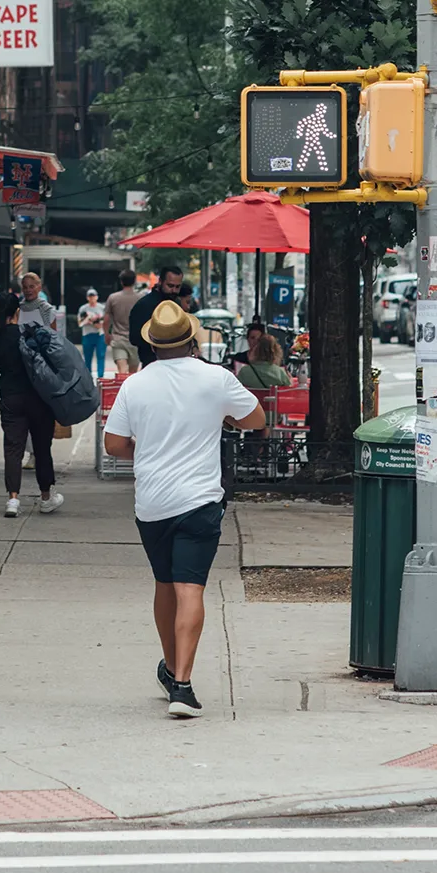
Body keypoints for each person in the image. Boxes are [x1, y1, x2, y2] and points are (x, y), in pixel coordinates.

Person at [103, 300, 264, 718]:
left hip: (153, 502)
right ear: (192, 341)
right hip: (199, 501)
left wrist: (146, 448)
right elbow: (256, 419)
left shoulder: (134, 385)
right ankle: (183, 686)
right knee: (190, 587)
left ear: (152, 345)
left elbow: (114, 445)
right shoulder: (216, 378)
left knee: (164, 583)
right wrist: (221, 419)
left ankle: (171, 666)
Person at [0, 290, 63, 518]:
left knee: (13, 450)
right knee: (42, 449)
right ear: (17, 312)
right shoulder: (29, 336)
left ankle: (13, 499)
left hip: (11, 400)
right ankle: (46, 498)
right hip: (38, 400)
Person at [130, 266, 205, 367]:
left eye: (177, 287)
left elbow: (186, 330)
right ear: (160, 282)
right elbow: (134, 338)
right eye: (170, 286)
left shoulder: (177, 304)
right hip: (153, 364)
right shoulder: (144, 305)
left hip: (179, 364)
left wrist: (194, 347)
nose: (174, 290)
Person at [104, 268, 142, 375]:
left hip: (118, 339)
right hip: (135, 340)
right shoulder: (140, 298)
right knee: (133, 372)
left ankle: (121, 389)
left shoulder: (113, 298)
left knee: (122, 372)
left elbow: (107, 319)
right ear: (134, 281)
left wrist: (107, 334)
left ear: (121, 282)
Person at [234, 320, 289, 389]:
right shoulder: (280, 372)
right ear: (247, 339)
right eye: (252, 338)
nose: (255, 341)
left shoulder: (244, 372)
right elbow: (287, 388)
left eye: (259, 339)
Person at [78, 288, 106, 380]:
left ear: (97, 297)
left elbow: (104, 321)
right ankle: (88, 376)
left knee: (101, 355)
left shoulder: (101, 308)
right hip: (87, 334)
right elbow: (80, 322)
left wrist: (96, 322)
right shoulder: (83, 308)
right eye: (90, 296)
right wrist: (90, 321)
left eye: (93, 296)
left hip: (99, 334)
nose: (92, 298)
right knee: (87, 357)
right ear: (87, 298)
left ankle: (100, 376)